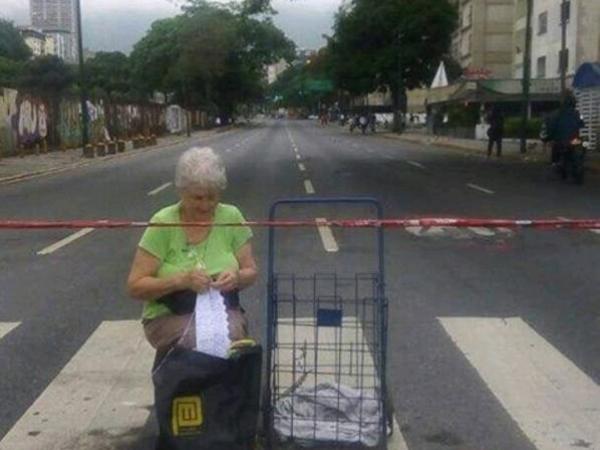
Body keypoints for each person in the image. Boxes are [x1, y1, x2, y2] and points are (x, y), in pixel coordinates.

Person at [127, 147, 258, 363]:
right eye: (197, 198)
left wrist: (237, 278)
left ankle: (227, 395)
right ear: (181, 191)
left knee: (235, 338)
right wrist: (181, 281)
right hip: (168, 315)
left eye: (212, 197)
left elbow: (251, 271)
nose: (205, 205)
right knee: (202, 341)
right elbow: (135, 286)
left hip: (222, 311)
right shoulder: (163, 222)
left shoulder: (232, 216)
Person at [547, 93, 585, 165]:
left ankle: (554, 162)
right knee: (582, 144)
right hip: (573, 140)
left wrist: (551, 137)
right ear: (573, 103)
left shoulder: (556, 114)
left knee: (555, 146)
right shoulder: (578, 114)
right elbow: (582, 124)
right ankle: (579, 161)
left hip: (559, 140)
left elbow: (551, 126)